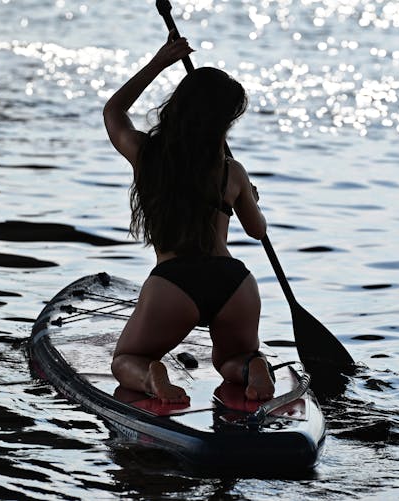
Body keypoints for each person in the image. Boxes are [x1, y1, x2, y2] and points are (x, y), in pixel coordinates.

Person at [102, 32, 275, 404]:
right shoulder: (233, 172)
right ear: (223, 123)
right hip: (233, 281)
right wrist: (250, 196)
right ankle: (253, 367)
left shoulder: (146, 154)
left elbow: (113, 113)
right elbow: (256, 230)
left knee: (126, 359)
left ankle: (150, 375)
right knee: (231, 357)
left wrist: (158, 63)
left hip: (175, 283)